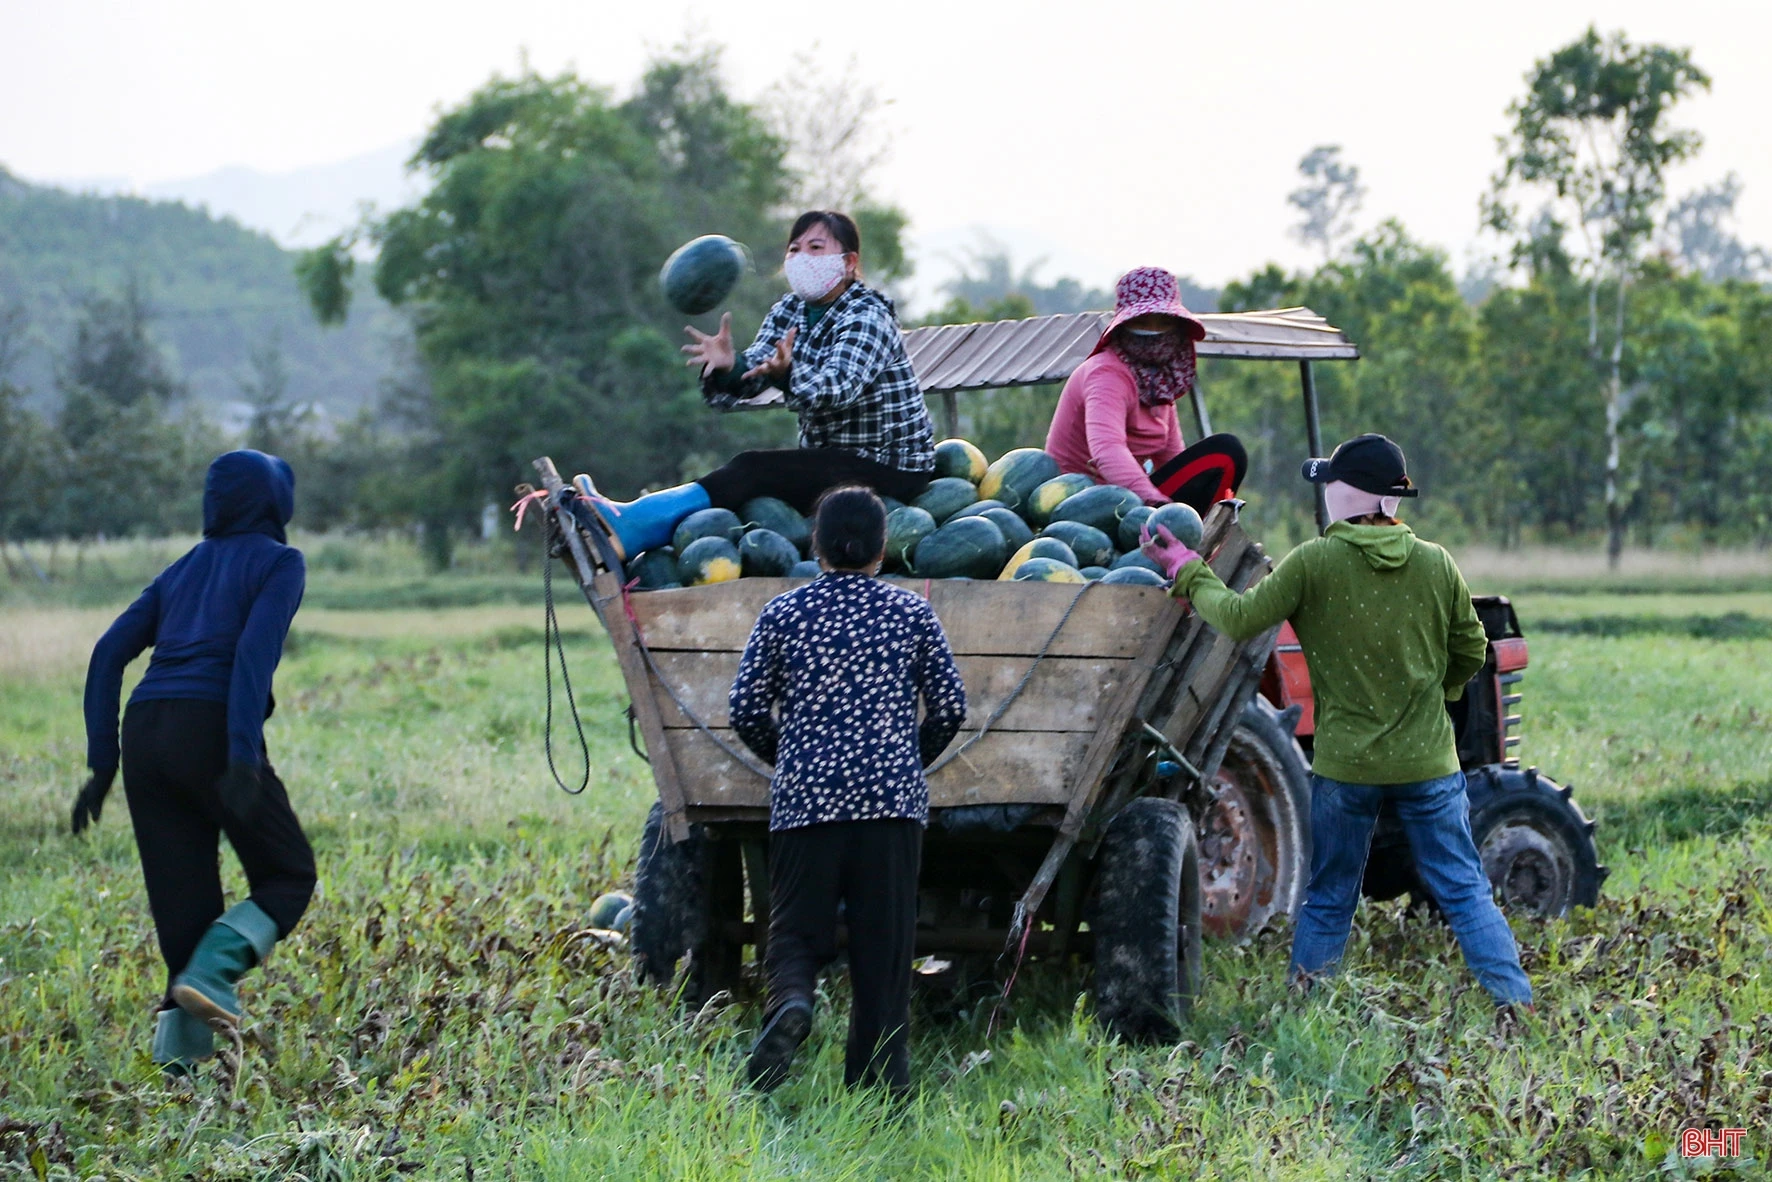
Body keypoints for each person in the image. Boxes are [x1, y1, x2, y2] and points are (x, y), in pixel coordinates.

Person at [1140, 433, 1532, 1011]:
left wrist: (1188, 570)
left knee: (1329, 894)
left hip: (1347, 767)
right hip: (1429, 763)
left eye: (1330, 485)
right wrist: (1437, 694)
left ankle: (1304, 1010)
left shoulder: (1315, 563)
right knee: (1466, 889)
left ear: (1348, 495)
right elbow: (1472, 652)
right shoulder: (1436, 564)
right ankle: (1515, 1004)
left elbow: (1240, 617)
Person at [73, 449, 317, 1074]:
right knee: (288, 874)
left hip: (146, 735)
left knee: (186, 912)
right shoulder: (281, 563)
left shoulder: (179, 571)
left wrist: (103, 764)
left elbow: (107, 656)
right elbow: (252, 658)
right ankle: (215, 970)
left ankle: (180, 1075)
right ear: (273, 501)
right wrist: (240, 754)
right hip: (210, 728)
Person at [727, 486, 968, 1093]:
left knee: (794, 930)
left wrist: (793, 760)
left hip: (808, 801)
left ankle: (791, 1003)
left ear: (816, 547)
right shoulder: (912, 613)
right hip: (891, 803)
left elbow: (746, 708)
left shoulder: (783, 614)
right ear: (882, 551)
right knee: (884, 950)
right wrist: (905, 761)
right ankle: (879, 1088)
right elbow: (950, 707)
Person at [574, 210, 938, 562]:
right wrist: (731, 367)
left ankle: (634, 523)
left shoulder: (866, 314)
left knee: (751, 469)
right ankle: (635, 531)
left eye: (815, 248)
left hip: (891, 464)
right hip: (833, 461)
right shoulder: (789, 310)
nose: (800, 257)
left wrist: (786, 375)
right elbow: (756, 371)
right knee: (751, 487)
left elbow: (839, 386)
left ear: (847, 262)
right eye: (794, 249)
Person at [1045, 266, 1247, 512]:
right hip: (1084, 503)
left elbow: (1171, 458)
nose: (1153, 333)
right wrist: (1155, 502)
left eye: (1163, 323)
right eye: (1142, 322)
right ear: (1124, 326)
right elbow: (1108, 451)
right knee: (1225, 451)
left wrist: (1181, 509)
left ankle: (1204, 532)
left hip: (1131, 500)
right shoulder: (1107, 373)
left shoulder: (1159, 380)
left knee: (1225, 457)